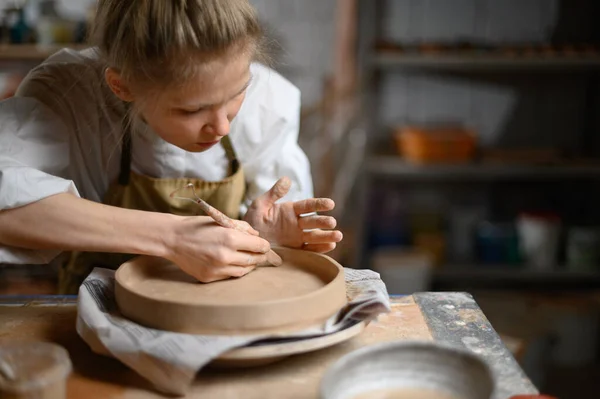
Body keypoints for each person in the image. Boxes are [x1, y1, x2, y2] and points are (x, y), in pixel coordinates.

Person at [0, 0, 342, 295]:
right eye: (192, 109)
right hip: (96, 311)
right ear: (122, 86)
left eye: (238, 92)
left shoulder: (267, 100)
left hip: (222, 315)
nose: (222, 127)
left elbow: (282, 244)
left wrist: (265, 238)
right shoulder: (69, 95)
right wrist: (172, 238)